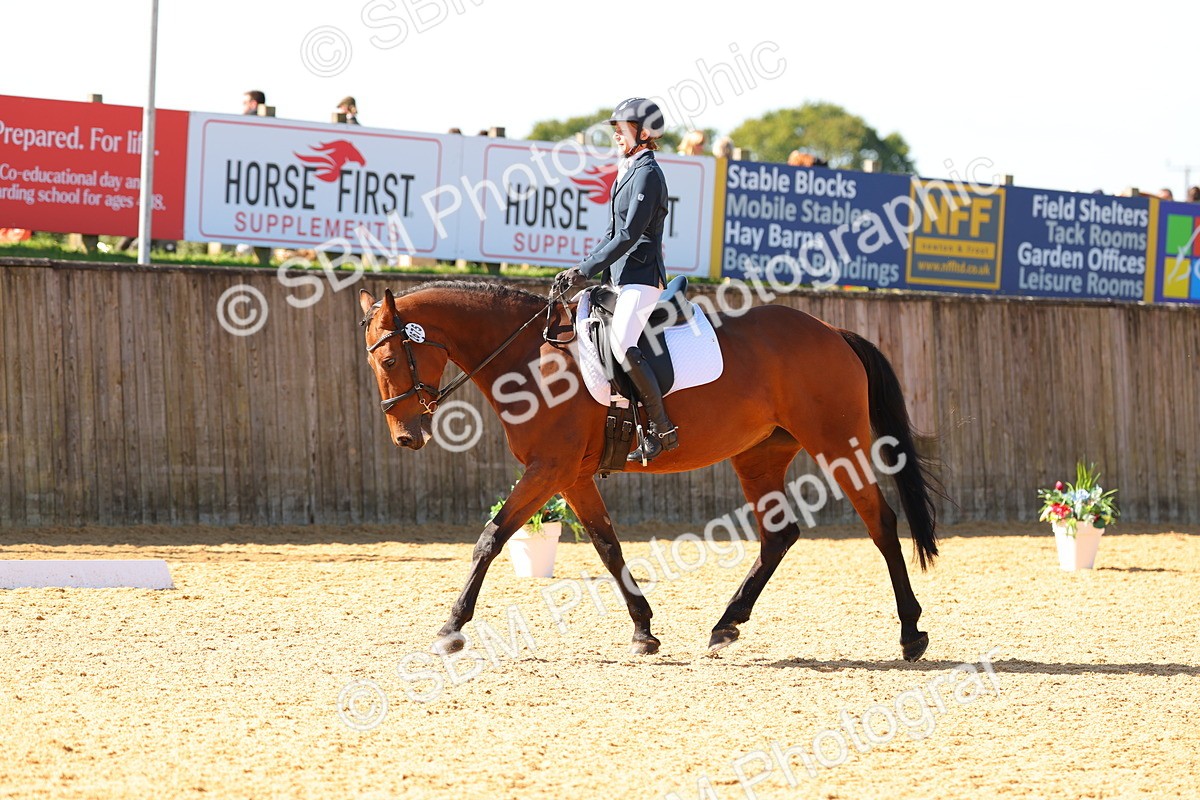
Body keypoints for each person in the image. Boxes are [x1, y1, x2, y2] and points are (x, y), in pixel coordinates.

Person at [552, 97, 678, 462]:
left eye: (621, 129)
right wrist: (582, 267)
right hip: (619, 279)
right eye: (616, 130)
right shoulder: (628, 169)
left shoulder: (649, 174)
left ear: (644, 132)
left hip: (641, 277)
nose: (616, 136)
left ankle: (661, 428)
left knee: (623, 342)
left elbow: (628, 235)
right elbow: (611, 231)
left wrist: (585, 271)